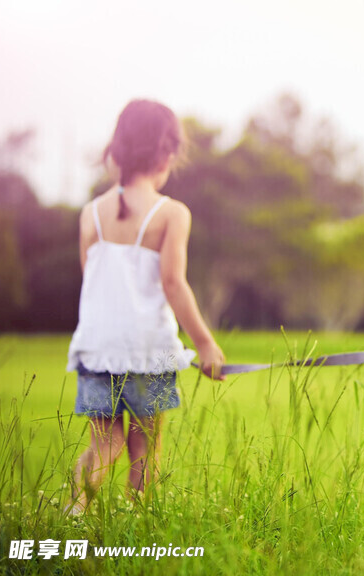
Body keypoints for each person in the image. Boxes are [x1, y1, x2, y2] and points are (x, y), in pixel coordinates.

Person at [66, 99, 225, 513]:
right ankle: (141, 526)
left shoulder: (90, 214)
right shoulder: (171, 213)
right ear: (167, 155)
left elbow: (92, 281)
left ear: (116, 152)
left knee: (105, 444)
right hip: (147, 352)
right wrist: (204, 344)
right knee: (145, 450)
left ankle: (73, 510)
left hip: (97, 349)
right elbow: (173, 283)